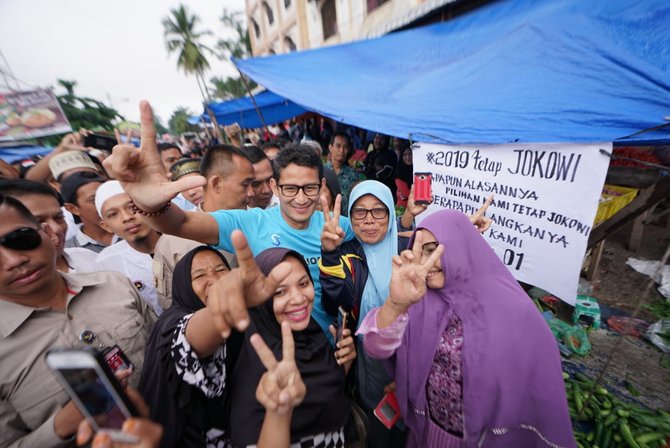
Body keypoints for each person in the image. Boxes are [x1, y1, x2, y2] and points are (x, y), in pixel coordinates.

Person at [358, 210, 575, 447]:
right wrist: (396, 304)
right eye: (418, 251)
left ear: (460, 247)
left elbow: (537, 389)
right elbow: (375, 348)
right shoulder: (419, 299)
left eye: (432, 250)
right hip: (427, 433)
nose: (424, 262)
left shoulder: (516, 311)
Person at [0, 194, 155, 447]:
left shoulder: (114, 284)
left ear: (46, 232)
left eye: (20, 240)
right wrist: (62, 425)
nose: (15, 260)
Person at [319, 180, 432, 448]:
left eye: (378, 211)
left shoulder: (410, 251)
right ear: (351, 217)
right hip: (371, 365)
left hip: (416, 358)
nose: (369, 220)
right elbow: (334, 302)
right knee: (381, 427)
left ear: (390, 214)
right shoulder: (347, 255)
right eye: (359, 211)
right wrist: (330, 253)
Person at [0, 179, 98, 273]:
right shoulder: (19, 282)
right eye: (38, 222)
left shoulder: (88, 257)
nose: (57, 229)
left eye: (58, 218)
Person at [95, 181, 163, 315]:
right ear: (106, 226)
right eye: (113, 214)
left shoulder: (182, 240)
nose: (127, 217)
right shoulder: (106, 264)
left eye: (132, 207)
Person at [61, 171, 119, 253]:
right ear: (72, 209)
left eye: (105, 197)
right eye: (94, 200)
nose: (103, 204)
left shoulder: (134, 228)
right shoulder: (70, 251)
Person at [325, 132, 361, 214]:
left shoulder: (353, 175)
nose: (342, 150)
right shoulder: (322, 171)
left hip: (345, 222)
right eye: (338, 146)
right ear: (330, 148)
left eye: (345, 147)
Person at [364, 133, 398, 202]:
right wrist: (374, 168)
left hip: (385, 192)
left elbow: (386, 173)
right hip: (370, 190)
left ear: (386, 141)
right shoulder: (371, 154)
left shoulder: (390, 155)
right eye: (376, 138)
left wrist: (370, 170)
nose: (378, 141)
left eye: (382, 139)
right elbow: (362, 168)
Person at [394, 144, 413, 208]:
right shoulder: (399, 173)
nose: (408, 157)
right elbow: (406, 194)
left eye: (410, 154)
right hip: (403, 209)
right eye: (405, 155)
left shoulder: (418, 170)